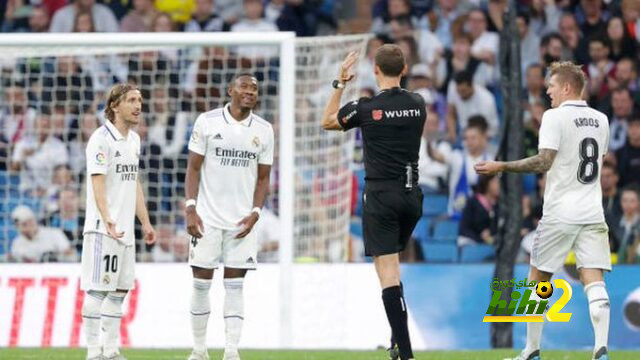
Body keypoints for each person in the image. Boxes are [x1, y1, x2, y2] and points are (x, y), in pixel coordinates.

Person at [476, 61, 611, 360]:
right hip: (592, 211)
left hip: (560, 212)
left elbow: (544, 161)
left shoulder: (554, 117)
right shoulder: (601, 119)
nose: (547, 90)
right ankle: (600, 350)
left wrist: (502, 166)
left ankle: (531, 350)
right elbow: (597, 159)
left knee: (538, 280)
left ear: (566, 87)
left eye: (551, 85)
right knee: (594, 281)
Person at [321, 45, 424, 360]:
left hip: (381, 196)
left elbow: (328, 121)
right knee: (392, 269)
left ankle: (405, 354)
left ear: (375, 70)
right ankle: (396, 344)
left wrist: (340, 84)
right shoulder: (418, 104)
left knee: (388, 274)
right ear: (404, 69)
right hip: (412, 197)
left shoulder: (365, 108)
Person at [184, 73, 274, 360]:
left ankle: (231, 351)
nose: (250, 92)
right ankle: (199, 350)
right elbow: (193, 168)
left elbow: (263, 178)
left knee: (235, 285)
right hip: (206, 219)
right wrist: (190, 207)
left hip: (241, 223)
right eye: (244, 87)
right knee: (201, 283)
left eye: (254, 89)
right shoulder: (207, 121)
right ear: (230, 90)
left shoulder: (264, 129)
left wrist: (256, 212)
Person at [80, 83, 156, 360]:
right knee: (99, 288)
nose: (139, 106)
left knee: (120, 290)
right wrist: (108, 218)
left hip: (126, 231)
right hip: (103, 229)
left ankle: (110, 351)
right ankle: (92, 352)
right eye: (132, 100)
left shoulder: (134, 140)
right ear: (115, 106)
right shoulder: (101, 139)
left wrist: (145, 222)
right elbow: (97, 182)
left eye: (140, 100)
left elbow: (132, 182)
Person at [9, 205, 75, 263]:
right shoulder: (17, 243)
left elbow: (71, 255)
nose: (28, 227)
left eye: (30, 222)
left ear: (34, 220)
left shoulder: (54, 233)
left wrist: (55, 257)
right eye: (24, 224)